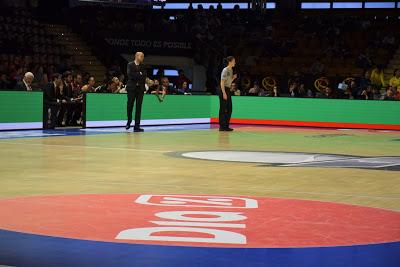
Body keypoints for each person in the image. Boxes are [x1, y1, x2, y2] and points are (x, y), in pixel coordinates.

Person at [126, 52, 147, 132]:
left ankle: (137, 126)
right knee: (130, 105)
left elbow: (144, 75)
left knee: (139, 107)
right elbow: (130, 75)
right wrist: (139, 74)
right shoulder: (130, 64)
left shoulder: (143, 66)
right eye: (141, 56)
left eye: (143, 56)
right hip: (131, 88)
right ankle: (129, 121)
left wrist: (138, 74)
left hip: (140, 89)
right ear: (136, 56)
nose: (142, 58)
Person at [219, 56, 237, 131]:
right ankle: (222, 126)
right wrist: (224, 93)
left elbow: (229, 81)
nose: (235, 62)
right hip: (224, 90)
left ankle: (226, 125)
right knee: (223, 108)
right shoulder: (225, 70)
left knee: (229, 108)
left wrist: (233, 78)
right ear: (230, 62)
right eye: (234, 61)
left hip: (228, 89)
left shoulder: (231, 70)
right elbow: (222, 82)